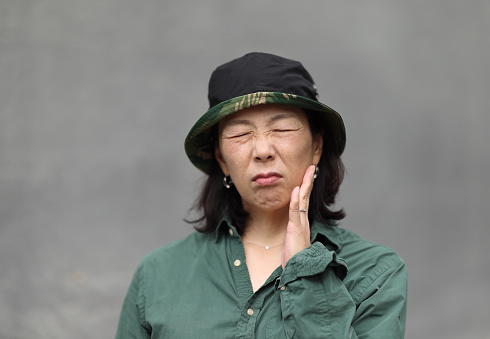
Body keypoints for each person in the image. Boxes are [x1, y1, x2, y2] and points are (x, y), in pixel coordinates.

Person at [115, 52, 407, 338]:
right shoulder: (158, 274)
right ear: (220, 158)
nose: (263, 151)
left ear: (316, 146)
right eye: (240, 134)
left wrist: (305, 268)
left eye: (281, 128)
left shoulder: (375, 272)